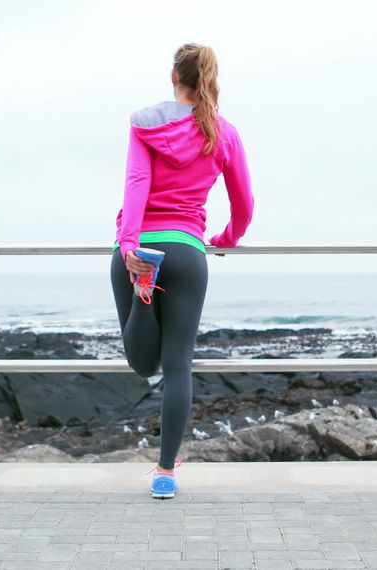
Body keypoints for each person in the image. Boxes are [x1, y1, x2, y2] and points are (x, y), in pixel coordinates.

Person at [109, 43, 254, 499]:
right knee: (177, 367)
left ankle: (143, 295)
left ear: (174, 76)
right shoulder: (223, 133)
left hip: (137, 250)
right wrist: (226, 239)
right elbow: (243, 203)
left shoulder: (145, 124)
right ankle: (166, 471)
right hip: (187, 251)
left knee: (140, 361)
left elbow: (137, 182)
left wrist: (131, 244)